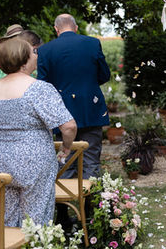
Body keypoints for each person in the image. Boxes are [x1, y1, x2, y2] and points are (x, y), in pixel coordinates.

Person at [0, 38, 76, 227]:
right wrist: (66, 147)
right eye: (33, 52)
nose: (36, 56)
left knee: (4, 222)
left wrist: (1, 141)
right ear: (24, 59)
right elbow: (69, 126)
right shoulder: (39, 89)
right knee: (36, 221)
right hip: (35, 161)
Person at [37, 13, 110, 228]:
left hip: (60, 116)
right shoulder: (92, 43)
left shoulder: (45, 50)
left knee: (63, 163)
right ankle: (87, 216)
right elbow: (104, 75)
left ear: (56, 29)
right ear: (76, 27)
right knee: (91, 162)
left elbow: (42, 85)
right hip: (90, 111)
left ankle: (63, 217)